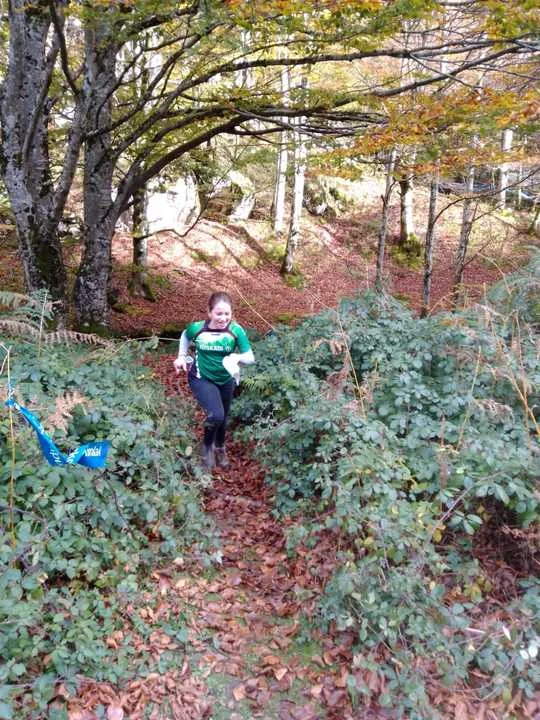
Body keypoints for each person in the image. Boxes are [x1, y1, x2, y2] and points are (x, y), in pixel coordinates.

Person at [173, 292, 255, 470]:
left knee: (223, 418)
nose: (223, 318)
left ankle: (220, 448)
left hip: (226, 379)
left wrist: (237, 357)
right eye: (218, 313)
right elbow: (185, 336)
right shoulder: (198, 329)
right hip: (201, 378)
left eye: (227, 314)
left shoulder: (235, 331)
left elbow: (250, 357)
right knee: (216, 415)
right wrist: (181, 356)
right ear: (209, 312)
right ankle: (207, 447)